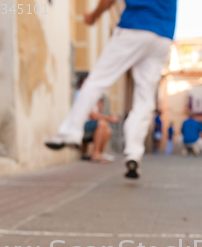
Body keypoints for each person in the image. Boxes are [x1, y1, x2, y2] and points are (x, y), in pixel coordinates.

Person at [45, 0, 177, 179]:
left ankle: (70, 131)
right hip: (163, 35)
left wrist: (94, 15)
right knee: (145, 100)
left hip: (135, 25)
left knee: (98, 79)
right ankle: (133, 153)